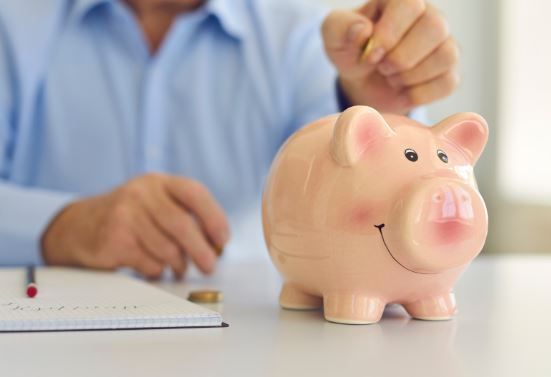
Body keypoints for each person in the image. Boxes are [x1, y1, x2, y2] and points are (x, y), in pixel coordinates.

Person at [0, 0, 459, 278]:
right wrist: (61, 226)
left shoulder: (299, 38)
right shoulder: (12, 27)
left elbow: (355, 216)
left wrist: (379, 108)